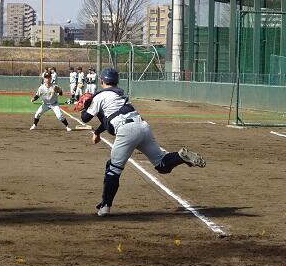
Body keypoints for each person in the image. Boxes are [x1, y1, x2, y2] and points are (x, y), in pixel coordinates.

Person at [78, 67, 206, 216]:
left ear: (101, 81)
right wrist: (98, 132)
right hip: (142, 126)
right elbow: (110, 118)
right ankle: (180, 156)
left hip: (127, 131)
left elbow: (85, 118)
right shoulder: (120, 95)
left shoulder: (101, 96)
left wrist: (85, 106)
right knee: (162, 165)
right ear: (116, 81)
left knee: (113, 170)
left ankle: (105, 207)